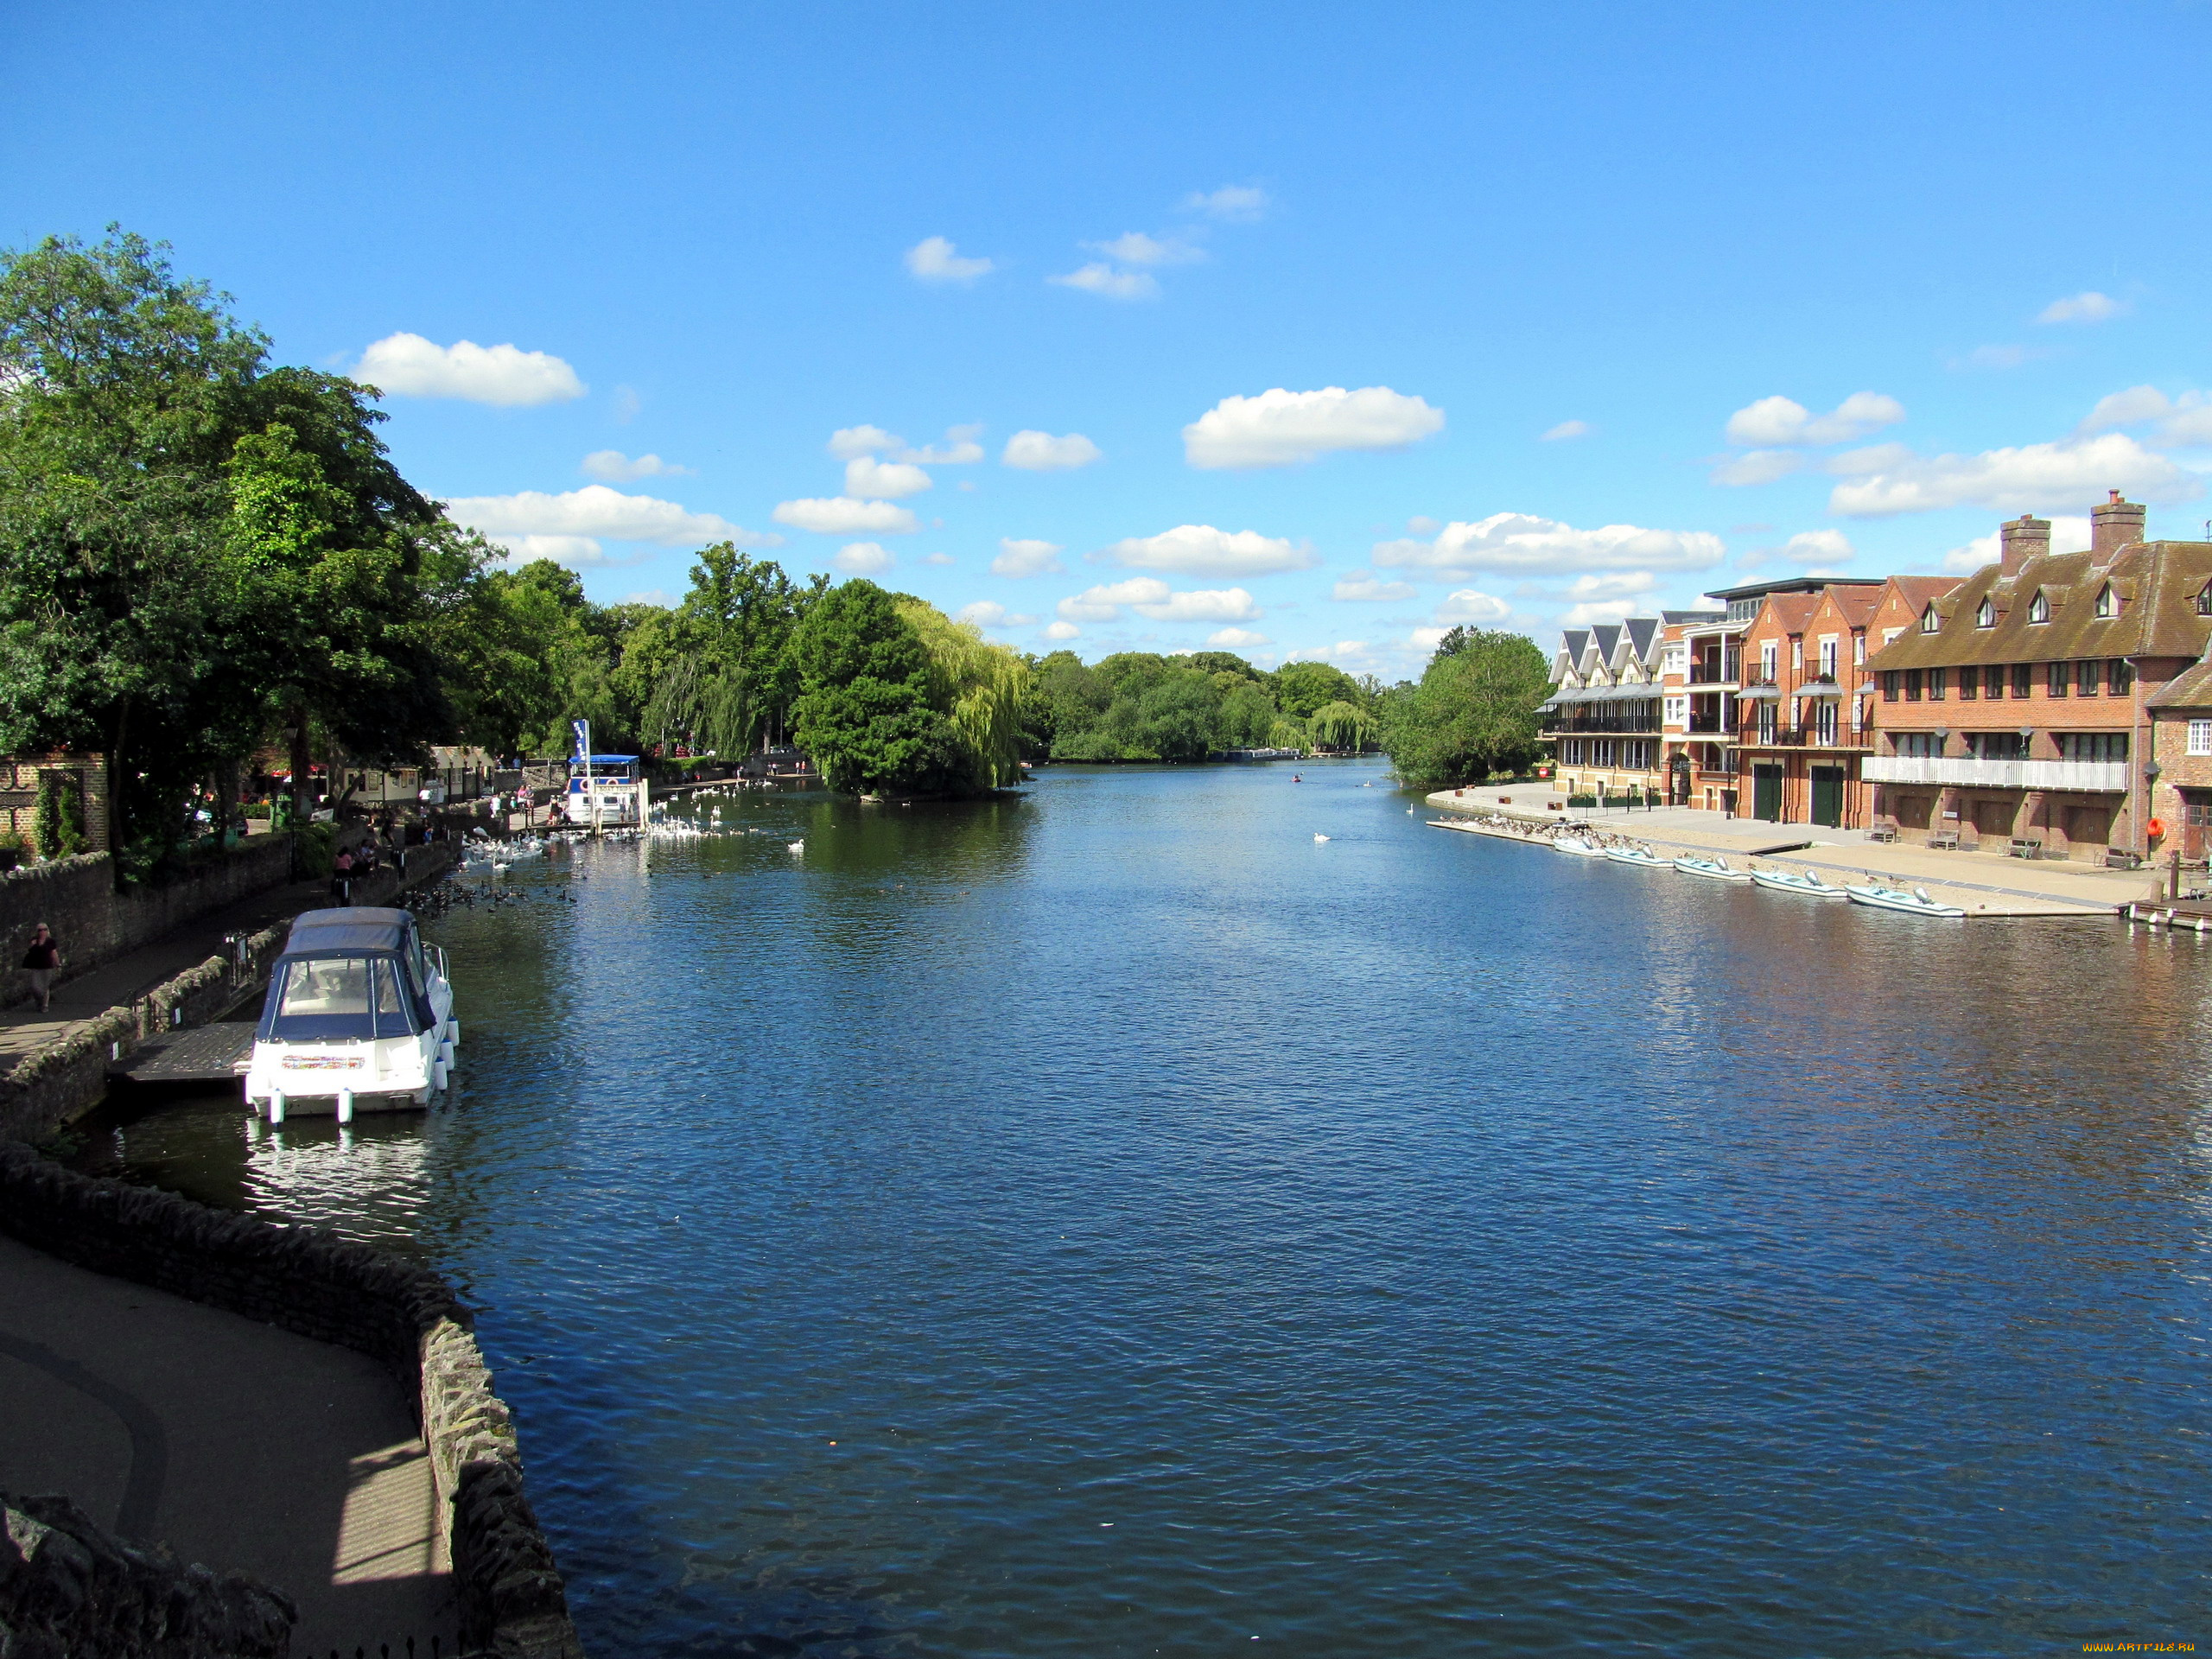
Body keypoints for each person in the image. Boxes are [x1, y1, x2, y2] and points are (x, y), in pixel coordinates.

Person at [20, 924, 60, 1013]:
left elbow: (54, 953)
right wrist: (32, 945)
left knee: (45, 987)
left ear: (47, 930)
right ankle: (39, 1002)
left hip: (47, 966)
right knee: (35, 987)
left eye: (44, 930)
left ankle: (45, 1005)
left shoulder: (50, 941)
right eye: (40, 930)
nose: (42, 932)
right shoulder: (34, 941)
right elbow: (29, 951)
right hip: (36, 966)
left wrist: (57, 963)